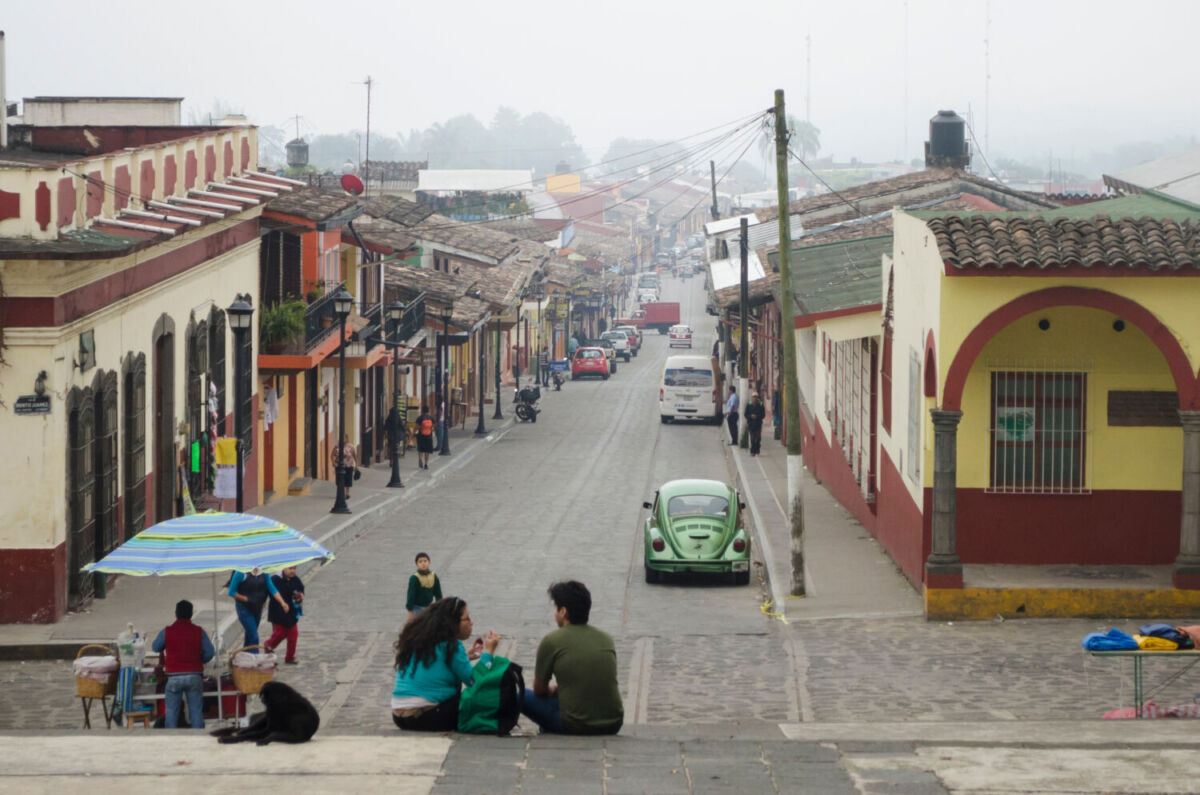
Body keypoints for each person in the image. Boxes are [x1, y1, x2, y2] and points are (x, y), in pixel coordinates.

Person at [521, 580, 623, 735]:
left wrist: (553, 690)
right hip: (613, 723)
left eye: (555, 608)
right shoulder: (606, 639)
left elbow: (539, 690)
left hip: (574, 724)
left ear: (563, 612)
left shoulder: (551, 641)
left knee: (519, 695)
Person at [392, 597, 499, 732]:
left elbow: (435, 666)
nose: (471, 623)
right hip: (427, 717)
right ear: (452, 623)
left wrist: (464, 657)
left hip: (399, 716)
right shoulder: (451, 644)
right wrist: (489, 652)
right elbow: (475, 681)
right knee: (478, 700)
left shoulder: (417, 639)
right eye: (467, 619)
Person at [151, 599, 215, 729]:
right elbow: (209, 652)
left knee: (172, 712)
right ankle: (198, 738)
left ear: (176, 613)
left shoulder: (168, 631)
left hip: (173, 677)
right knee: (196, 711)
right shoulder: (199, 631)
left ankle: (172, 739)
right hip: (194, 676)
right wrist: (199, 660)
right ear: (191, 614)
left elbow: (156, 647)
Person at [228, 567, 290, 650]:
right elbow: (231, 592)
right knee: (254, 636)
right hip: (244, 608)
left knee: (250, 634)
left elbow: (272, 589)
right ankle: (255, 658)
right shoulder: (241, 573)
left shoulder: (264, 573)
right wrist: (246, 599)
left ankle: (246, 655)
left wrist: (282, 602)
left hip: (258, 607)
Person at [264, 566, 305, 664]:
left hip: (291, 612)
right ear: (283, 569)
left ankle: (290, 657)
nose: (292, 571)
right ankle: (269, 645)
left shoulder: (295, 579)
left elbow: (301, 589)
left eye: (294, 568)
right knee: (280, 633)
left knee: (293, 635)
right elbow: (268, 591)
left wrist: (301, 595)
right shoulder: (275, 579)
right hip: (277, 612)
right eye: (290, 569)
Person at [406, 552, 443, 622]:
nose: (423, 563)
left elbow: (438, 593)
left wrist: (440, 605)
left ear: (429, 562)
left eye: (425, 561)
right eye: (420, 562)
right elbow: (410, 595)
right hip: (417, 608)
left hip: (429, 607)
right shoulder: (414, 578)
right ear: (417, 564)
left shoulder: (433, 576)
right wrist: (410, 611)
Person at [331, 435, 358, 500]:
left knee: (348, 479)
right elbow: (332, 455)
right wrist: (334, 463)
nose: (343, 440)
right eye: (342, 438)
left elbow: (355, 456)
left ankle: (347, 493)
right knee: (339, 480)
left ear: (347, 439)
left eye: (344, 438)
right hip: (339, 466)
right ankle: (340, 493)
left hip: (349, 465)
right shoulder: (337, 447)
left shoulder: (351, 446)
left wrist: (356, 465)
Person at [415, 404, 435, 470]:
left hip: (421, 436)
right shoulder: (431, 418)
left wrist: (419, 428)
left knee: (421, 449)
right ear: (428, 411)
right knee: (427, 451)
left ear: (422, 411)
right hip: (429, 436)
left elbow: (417, 427)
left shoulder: (420, 418)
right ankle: (426, 464)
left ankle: (420, 459)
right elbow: (433, 427)